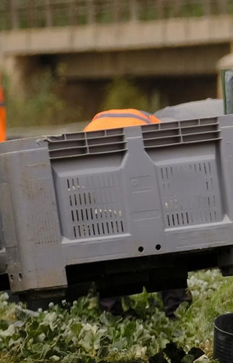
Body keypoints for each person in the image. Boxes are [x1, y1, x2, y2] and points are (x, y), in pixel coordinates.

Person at [82, 107, 192, 317]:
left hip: (106, 201)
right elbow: (168, 163)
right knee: (166, 240)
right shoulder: (152, 122)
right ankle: (177, 307)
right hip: (144, 193)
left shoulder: (92, 126)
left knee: (106, 243)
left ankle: (110, 311)